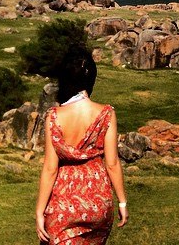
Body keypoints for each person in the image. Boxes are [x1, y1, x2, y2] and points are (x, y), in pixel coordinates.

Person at [36, 50, 128, 244]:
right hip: (99, 202)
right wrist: (122, 201)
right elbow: (112, 164)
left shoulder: (54, 116)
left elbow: (50, 168)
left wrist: (39, 210)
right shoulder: (106, 113)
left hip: (64, 203)